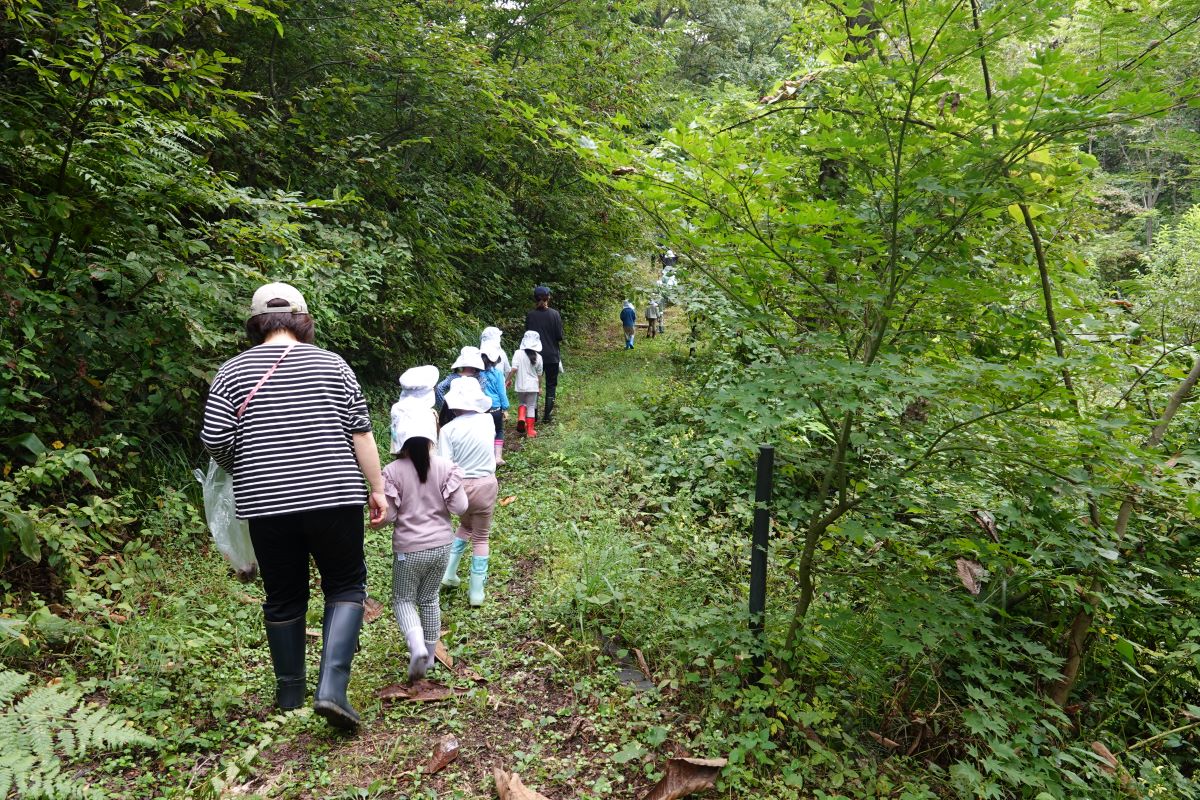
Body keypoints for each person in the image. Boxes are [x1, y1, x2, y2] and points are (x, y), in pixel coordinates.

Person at [201, 282, 385, 732]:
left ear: (256, 323)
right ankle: (331, 689)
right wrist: (377, 488)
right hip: (334, 495)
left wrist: (248, 467)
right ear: (303, 319)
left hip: (266, 503)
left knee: (283, 596)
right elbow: (360, 431)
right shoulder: (332, 364)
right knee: (345, 585)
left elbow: (214, 438)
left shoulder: (231, 372)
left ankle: (289, 696)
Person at [381, 405, 468, 682]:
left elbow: (389, 515)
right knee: (429, 599)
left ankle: (416, 645)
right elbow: (460, 507)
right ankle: (429, 657)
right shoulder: (445, 467)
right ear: (432, 437)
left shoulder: (392, 471)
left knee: (403, 600)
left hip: (409, 551)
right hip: (442, 547)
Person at [438, 379, 499, 606]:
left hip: (459, 487)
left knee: (465, 525)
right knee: (481, 537)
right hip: (486, 485)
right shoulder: (487, 421)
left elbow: (444, 465)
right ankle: (476, 594)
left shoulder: (447, 430)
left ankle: (448, 573)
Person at [523, 286, 564, 423]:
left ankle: (533, 416)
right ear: (548, 298)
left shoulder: (530, 315)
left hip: (534, 356)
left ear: (535, 298)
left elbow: (527, 336)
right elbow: (559, 336)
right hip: (552, 355)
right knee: (551, 385)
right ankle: (548, 416)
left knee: (534, 385)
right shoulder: (555, 314)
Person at [390, 365, 439, 455]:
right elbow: (433, 448)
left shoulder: (396, 409)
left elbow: (395, 447)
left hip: (402, 460)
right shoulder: (431, 413)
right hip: (427, 460)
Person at [435, 346, 485, 428]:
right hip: (472, 415)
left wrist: (446, 407)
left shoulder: (453, 376)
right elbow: (481, 397)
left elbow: (439, 388)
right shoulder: (480, 378)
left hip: (454, 413)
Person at [479, 343, 510, 465]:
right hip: (496, 408)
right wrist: (505, 407)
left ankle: (486, 457)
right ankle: (497, 457)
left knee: (484, 432)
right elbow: (502, 392)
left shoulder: (476, 373)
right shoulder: (497, 373)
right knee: (499, 431)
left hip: (481, 408)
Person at [511, 331, 544, 438]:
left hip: (521, 385)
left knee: (522, 403)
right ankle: (530, 431)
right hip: (533, 386)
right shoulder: (539, 357)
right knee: (531, 406)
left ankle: (521, 417)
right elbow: (539, 375)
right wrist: (540, 387)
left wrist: (507, 380)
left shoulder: (518, 353)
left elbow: (514, 369)